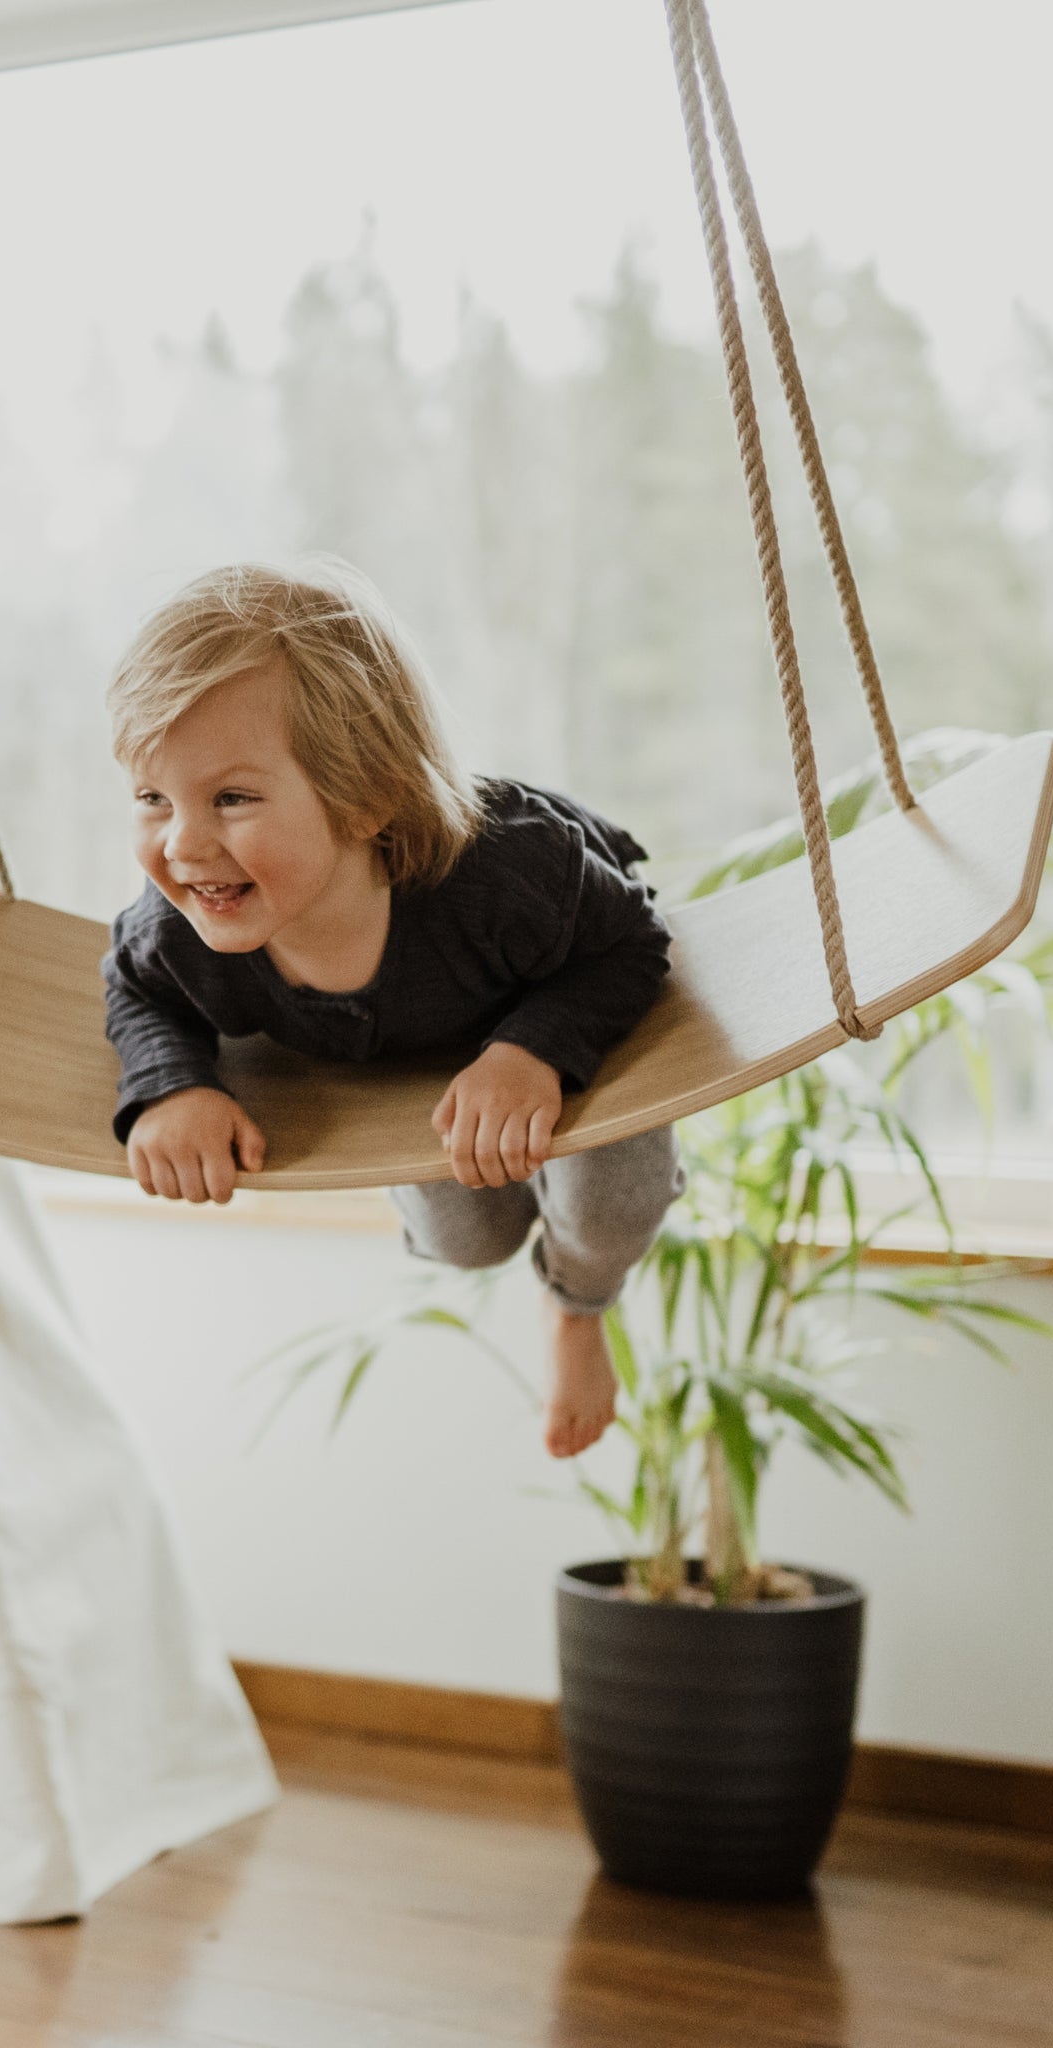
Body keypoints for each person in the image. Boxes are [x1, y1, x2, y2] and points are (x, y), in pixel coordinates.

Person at [101, 562, 680, 1458]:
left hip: (556, 987)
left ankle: (577, 1307)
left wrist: (532, 1050)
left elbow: (633, 944)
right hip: (412, 1057)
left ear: (368, 797)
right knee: (466, 1242)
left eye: (231, 798)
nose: (182, 844)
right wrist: (171, 1084)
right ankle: (533, 1251)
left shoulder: (507, 876)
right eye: (152, 798)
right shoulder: (182, 933)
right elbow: (134, 989)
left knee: (605, 1211)